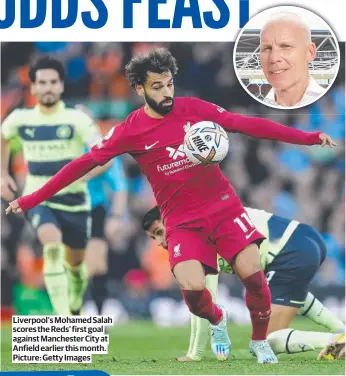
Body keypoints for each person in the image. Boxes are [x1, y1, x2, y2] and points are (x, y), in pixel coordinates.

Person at [5, 48, 336, 363]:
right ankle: (217, 318)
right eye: (157, 87)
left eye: (169, 84)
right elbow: (82, 164)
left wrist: (306, 137)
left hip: (224, 208)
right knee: (193, 290)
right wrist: (32, 198)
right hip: (181, 220)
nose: (166, 93)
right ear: (139, 89)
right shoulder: (130, 130)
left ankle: (260, 341)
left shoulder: (194, 109)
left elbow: (246, 124)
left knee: (253, 274)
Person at [142, 206, 345, 361]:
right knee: (289, 293)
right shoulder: (204, 216)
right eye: (153, 238)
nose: (159, 242)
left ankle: (333, 341)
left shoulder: (195, 235)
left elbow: (205, 300)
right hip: (306, 238)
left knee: (263, 342)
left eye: (159, 232)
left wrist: (194, 354)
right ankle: (341, 333)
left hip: (289, 251)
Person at [1, 57, 103, 316]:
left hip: (75, 201)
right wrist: (2, 174)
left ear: (61, 86)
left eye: (53, 82)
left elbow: (104, 155)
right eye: (41, 82)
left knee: (76, 264)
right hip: (38, 198)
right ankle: (65, 320)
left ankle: (76, 299)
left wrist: (85, 177)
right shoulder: (20, 119)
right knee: (52, 245)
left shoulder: (77, 118)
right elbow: (3, 138)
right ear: (33, 87)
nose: (47, 87)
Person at [85, 154, 128, 315]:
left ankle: (98, 316)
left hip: (94, 210)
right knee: (81, 265)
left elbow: (119, 185)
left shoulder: (98, 152)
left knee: (98, 265)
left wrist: (116, 217)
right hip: (68, 211)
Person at [260, 12, 326, 108]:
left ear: (310, 52)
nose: (274, 58)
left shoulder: (329, 106)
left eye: (285, 46)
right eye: (267, 48)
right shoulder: (258, 110)